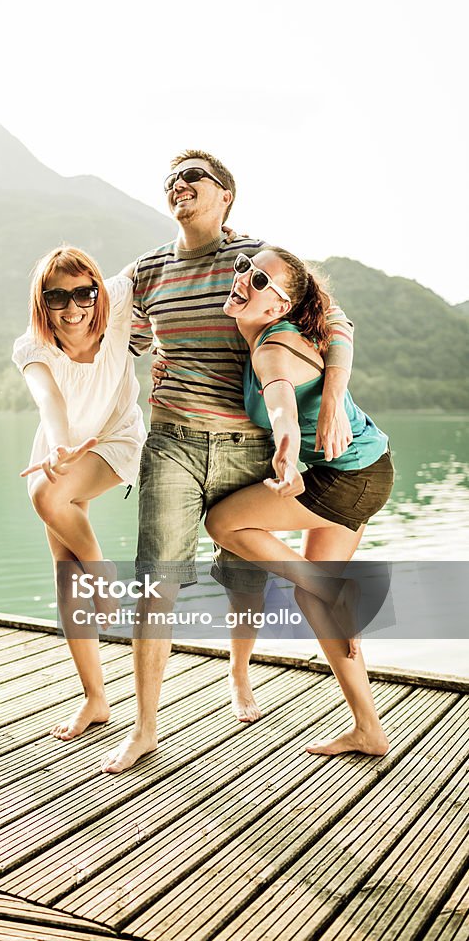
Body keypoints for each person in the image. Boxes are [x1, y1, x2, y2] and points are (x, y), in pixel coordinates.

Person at [100, 150, 356, 774]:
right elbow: (118, 347)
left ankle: (240, 680)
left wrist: (332, 402)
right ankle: (143, 730)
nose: (180, 185)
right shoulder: (147, 271)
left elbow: (336, 322)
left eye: (196, 178)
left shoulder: (257, 263)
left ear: (226, 197)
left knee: (245, 576)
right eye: (173, 179)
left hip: (249, 444)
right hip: (174, 443)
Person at [204, 246, 394, 756]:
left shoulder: (272, 348)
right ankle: (369, 729)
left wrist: (286, 453)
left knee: (223, 523)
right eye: (246, 268)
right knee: (318, 598)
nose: (245, 279)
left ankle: (331, 590)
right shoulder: (300, 324)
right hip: (368, 468)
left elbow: (282, 404)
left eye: (261, 281)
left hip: (348, 476)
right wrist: (330, 396)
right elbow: (338, 319)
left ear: (279, 307)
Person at [12, 245, 146, 740]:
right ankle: (95, 697)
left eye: (83, 294)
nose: (73, 308)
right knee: (65, 572)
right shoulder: (32, 347)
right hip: (62, 446)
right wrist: (62, 445)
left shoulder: (116, 300)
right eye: (57, 297)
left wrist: (221, 231)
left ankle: (104, 575)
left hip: (116, 438)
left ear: (96, 290)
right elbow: (48, 398)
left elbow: (159, 258)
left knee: (46, 498)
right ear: (42, 301)